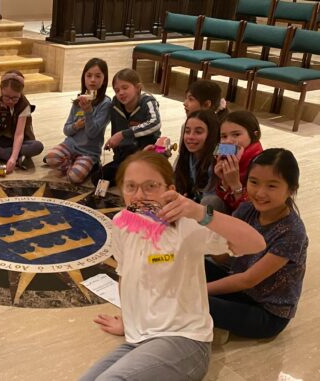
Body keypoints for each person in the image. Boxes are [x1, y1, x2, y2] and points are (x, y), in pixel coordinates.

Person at [79, 150, 265, 381]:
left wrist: (199, 212)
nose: (139, 195)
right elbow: (125, 275)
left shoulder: (188, 225)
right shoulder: (122, 222)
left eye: (150, 186)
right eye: (131, 187)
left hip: (185, 339)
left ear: (170, 189)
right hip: (140, 339)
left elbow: (256, 243)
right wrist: (127, 323)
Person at [206, 148, 308, 339]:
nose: (260, 193)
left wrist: (198, 289)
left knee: (193, 299)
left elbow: (248, 279)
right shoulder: (247, 209)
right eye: (254, 182)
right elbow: (220, 258)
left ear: (291, 190)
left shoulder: (292, 232)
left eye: (272, 186)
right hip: (242, 291)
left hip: (267, 313)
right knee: (193, 266)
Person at [45, 58, 112, 184]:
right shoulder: (79, 100)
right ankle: (74, 163)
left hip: (89, 151)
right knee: (51, 158)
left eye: (98, 76)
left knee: (74, 178)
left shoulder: (106, 104)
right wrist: (76, 126)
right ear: (84, 78)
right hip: (71, 145)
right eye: (89, 75)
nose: (92, 80)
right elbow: (66, 130)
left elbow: (92, 133)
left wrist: (88, 111)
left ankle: (89, 165)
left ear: (104, 80)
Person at [92, 68, 161, 187]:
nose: (121, 93)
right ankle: (130, 176)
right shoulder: (115, 104)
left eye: (125, 88)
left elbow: (155, 123)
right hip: (125, 155)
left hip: (146, 153)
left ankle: (137, 176)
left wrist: (123, 134)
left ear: (138, 87)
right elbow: (115, 129)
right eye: (117, 90)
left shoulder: (147, 102)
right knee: (98, 178)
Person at [213, 110, 263, 213]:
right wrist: (224, 182)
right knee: (210, 201)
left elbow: (254, 212)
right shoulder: (224, 157)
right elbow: (224, 201)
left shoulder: (261, 164)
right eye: (224, 136)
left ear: (254, 135)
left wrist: (236, 185)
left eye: (236, 135)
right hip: (232, 213)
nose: (228, 141)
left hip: (249, 219)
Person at [174, 109, 221, 206]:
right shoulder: (184, 157)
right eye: (187, 131)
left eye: (198, 132)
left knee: (211, 201)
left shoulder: (217, 160)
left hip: (211, 213)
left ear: (211, 135)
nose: (190, 136)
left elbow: (210, 203)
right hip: (191, 207)